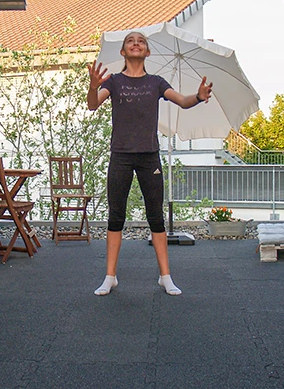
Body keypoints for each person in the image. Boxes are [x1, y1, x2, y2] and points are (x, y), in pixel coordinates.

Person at [87, 31, 213, 296]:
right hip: (120, 155)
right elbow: (92, 105)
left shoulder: (156, 83)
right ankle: (110, 277)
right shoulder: (114, 82)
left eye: (141, 42)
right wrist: (92, 85)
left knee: (155, 216)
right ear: (123, 52)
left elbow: (183, 101)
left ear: (147, 52)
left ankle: (165, 276)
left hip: (149, 156)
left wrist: (199, 96)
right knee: (116, 216)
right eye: (131, 41)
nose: (136, 43)